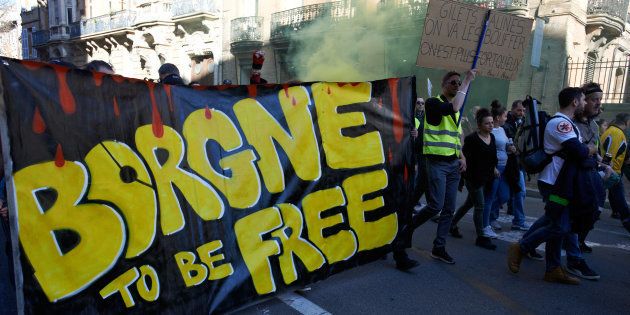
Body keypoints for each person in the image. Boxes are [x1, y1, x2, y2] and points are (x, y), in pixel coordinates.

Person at [507, 87, 598, 285]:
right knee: (561, 226)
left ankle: (553, 269)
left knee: (553, 220)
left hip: (562, 183)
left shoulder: (568, 124)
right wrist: (591, 149)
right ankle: (521, 248)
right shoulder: (560, 124)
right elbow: (578, 151)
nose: (584, 103)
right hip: (554, 184)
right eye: (583, 100)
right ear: (574, 102)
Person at [394, 69, 476, 267]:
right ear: (444, 84)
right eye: (453, 83)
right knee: (435, 206)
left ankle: (439, 247)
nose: (457, 86)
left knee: (448, 209)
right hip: (436, 163)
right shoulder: (433, 103)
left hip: (453, 164)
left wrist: (462, 156)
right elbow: (455, 107)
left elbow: (456, 137)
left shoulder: (454, 111)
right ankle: (405, 232)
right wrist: (467, 80)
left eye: (458, 83)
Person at [449, 108, 498, 250]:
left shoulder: (492, 137)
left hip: (485, 177)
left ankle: (452, 224)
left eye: (492, 123)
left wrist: (494, 168)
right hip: (473, 177)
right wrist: (462, 179)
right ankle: (481, 236)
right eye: (487, 123)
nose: (491, 125)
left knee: (468, 204)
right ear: (480, 125)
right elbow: (465, 159)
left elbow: (492, 156)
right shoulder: (472, 139)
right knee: (480, 206)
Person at [600, 113, 630, 233]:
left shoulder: (612, 131)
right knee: (619, 199)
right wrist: (608, 170)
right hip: (613, 172)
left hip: (612, 171)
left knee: (613, 196)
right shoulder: (617, 133)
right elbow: (609, 154)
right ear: (626, 121)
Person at [503, 100, 526, 216]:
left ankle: (514, 213)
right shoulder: (506, 122)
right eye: (519, 110)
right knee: (512, 191)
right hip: (509, 162)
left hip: (519, 162)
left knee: (517, 191)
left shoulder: (523, 122)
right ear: (512, 109)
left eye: (523, 110)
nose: (521, 113)